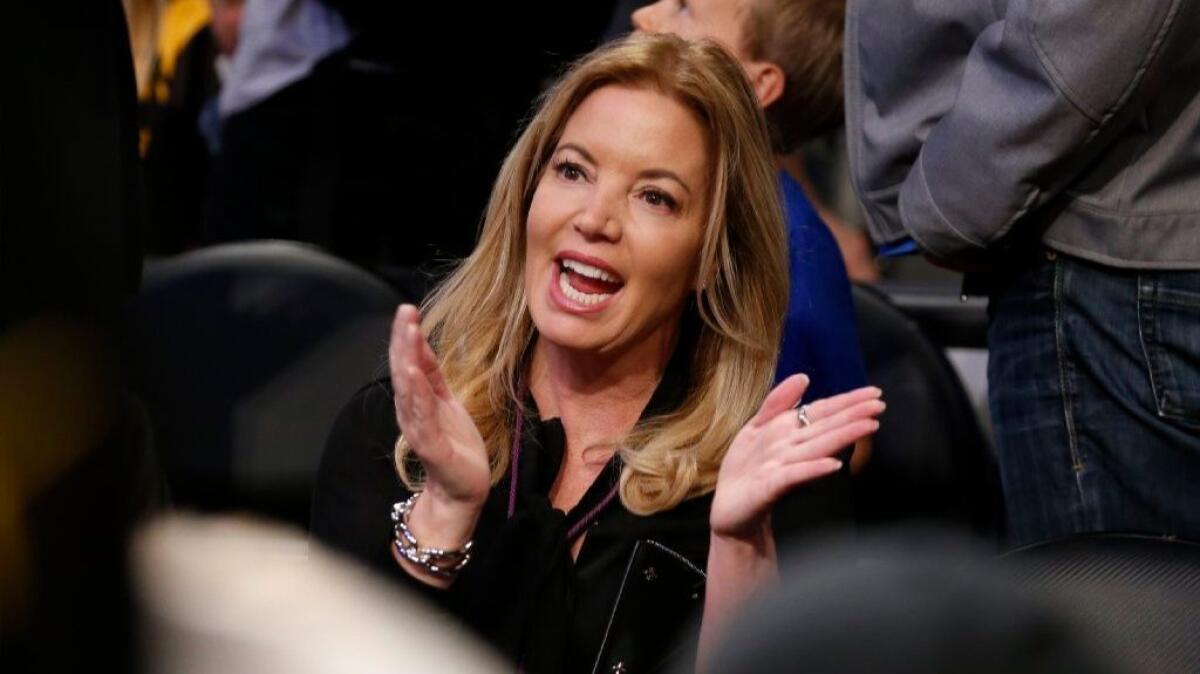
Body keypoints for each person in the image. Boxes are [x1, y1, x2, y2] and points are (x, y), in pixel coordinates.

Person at [311, 33, 883, 673]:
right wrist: (444, 512)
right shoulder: (393, 435)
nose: (595, 219)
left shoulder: (776, 490)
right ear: (528, 194)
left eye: (655, 197)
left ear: (709, 261)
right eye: (573, 170)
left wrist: (740, 548)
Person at [845, 0, 1200, 546]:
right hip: (1101, 253)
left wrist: (952, 202)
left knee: (1117, 622)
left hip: (1106, 270)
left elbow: (1097, 23)